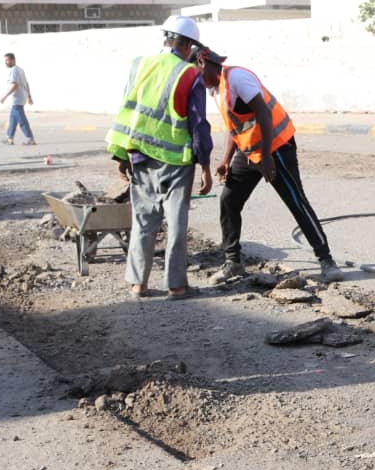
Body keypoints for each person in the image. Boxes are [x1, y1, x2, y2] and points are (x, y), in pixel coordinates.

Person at [196, 49, 342, 285]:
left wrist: (266, 157)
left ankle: (327, 261)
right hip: (250, 152)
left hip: (276, 148)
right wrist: (225, 160)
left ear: (202, 62)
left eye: (193, 72)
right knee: (229, 200)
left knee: (296, 202)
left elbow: (263, 112)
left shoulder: (237, 78)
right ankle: (233, 262)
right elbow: (234, 126)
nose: (194, 80)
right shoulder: (216, 89)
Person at [106, 16, 213, 298]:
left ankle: (138, 283)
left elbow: (126, 111)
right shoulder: (189, 74)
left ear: (166, 38)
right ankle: (176, 286)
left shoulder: (138, 65)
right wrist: (205, 165)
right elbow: (198, 124)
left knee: (143, 221)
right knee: (176, 224)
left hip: (140, 156)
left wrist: (120, 154)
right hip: (177, 162)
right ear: (189, 45)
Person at [1, 52, 36, 145]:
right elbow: (26, 84)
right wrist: (29, 96)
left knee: (21, 119)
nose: (5, 62)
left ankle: (30, 138)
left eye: (7, 60)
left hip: (16, 99)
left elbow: (15, 85)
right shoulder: (20, 69)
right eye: (5, 60)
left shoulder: (13, 70)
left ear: (13, 60)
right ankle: (10, 137)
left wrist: (5, 96)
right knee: (13, 118)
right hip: (20, 98)